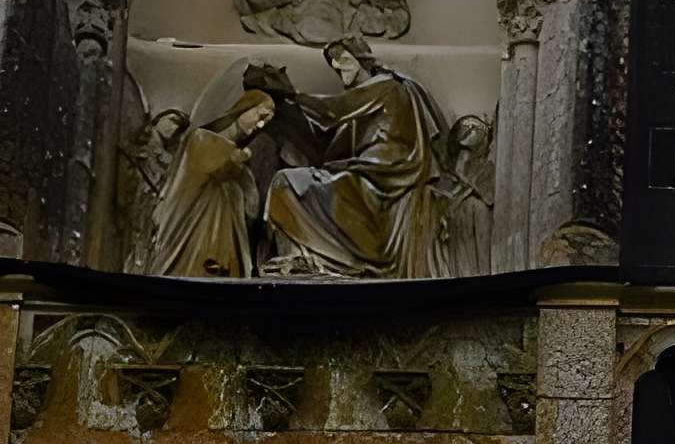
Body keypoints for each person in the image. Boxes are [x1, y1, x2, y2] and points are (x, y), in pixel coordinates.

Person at [261, 37, 453, 280]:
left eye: (342, 59)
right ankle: (307, 259)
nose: (338, 67)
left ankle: (317, 259)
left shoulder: (386, 86)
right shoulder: (368, 97)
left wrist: (291, 95)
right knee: (290, 181)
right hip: (371, 172)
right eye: (333, 63)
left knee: (290, 184)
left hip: (386, 177)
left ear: (361, 59)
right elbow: (328, 141)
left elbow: (331, 111)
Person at [138, 89, 277, 278]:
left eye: (266, 122)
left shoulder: (234, 153)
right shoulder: (201, 138)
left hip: (222, 243)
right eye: (260, 116)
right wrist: (240, 157)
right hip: (195, 235)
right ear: (244, 107)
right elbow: (215, 166)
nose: (260, 124)